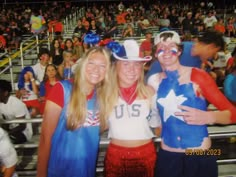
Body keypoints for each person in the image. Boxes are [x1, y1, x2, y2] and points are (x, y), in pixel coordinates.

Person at [147, 31, 236, 177]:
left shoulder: (199, 76)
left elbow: (233, 113)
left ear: (180, 50)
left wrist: (209, 117)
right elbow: (152, 113)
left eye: (172, 46)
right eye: (161, 47)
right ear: (156, 54)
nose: (167, 51)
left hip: (200, 154)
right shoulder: (153, 81)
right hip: (168, 156)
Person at [37, 46, 112, 177]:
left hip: (86, 169)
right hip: (59, 170)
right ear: (83, 65)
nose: (96, 69)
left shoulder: (102, 98)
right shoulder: (62, 89)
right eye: (92, 63)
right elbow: (45, 139)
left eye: (102, 66)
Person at [104, 40, 161, 177]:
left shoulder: (150, 92)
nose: (132, 69)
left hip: (145, 155)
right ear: (115, 66)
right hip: (115, 156)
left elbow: (158, 127)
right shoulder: (105, 94)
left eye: (137, 64)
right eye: (125, 64)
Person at [146, 30, 225, 79]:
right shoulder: (176, 51)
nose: (212, 56)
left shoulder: (200, 60)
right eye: (214, 52)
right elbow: (151, 77)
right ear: (210, 47)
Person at [0, 79, 33, 144]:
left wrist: (6, 133)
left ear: (5, 93)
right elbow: (5, 122)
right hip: (10, 130)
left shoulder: (16, 103)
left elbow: (22, 126)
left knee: (5, 140)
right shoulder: (1, 103)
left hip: (23, 132)